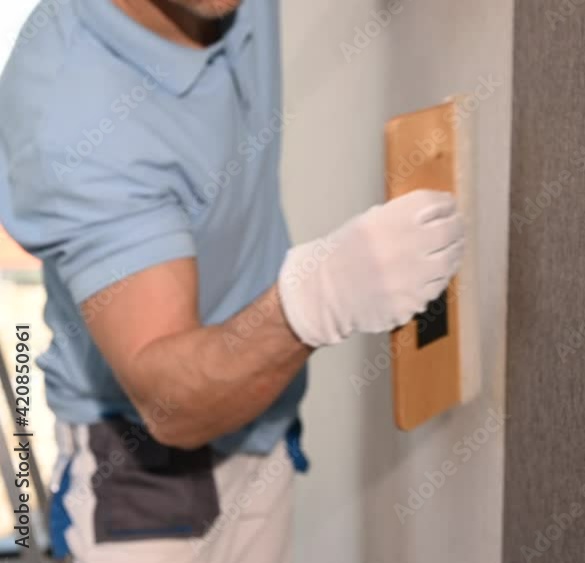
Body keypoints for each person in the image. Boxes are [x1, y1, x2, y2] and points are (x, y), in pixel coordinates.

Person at [0, 1, 464, 561]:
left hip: (262, 422)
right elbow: (169, 399)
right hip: (144, 486)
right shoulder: (73, 112)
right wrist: (317, 302)